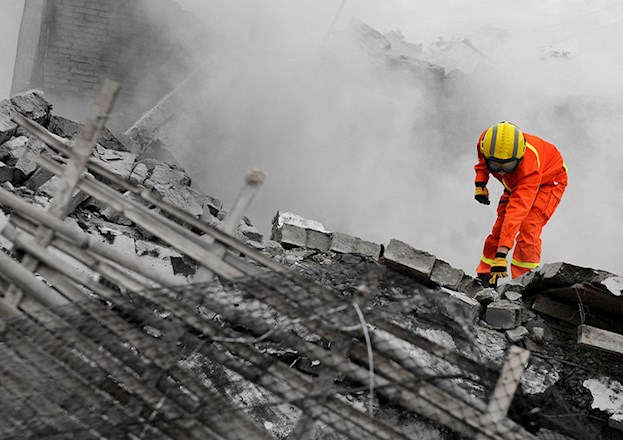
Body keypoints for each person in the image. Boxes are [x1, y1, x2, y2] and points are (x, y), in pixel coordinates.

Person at [473, 121, 568, 286]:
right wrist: (481, 184)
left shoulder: (528, 168)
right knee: (500, 227)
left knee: (528, 228)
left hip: (548, 181)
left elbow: (517, 211)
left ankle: (523, 283)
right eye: (496, 165)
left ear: (519, 157)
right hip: (514, 182)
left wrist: (502, 254)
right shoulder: (485, 143)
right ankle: (486, 276)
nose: (501, 170)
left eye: (508, 165)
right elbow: (482, 162)